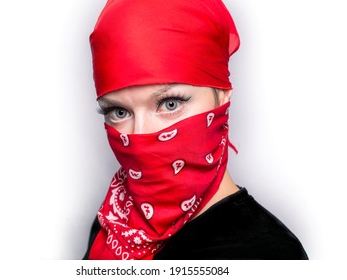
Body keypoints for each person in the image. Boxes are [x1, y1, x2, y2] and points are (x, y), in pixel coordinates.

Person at [83, 0, 308, 260]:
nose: (140, 134)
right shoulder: (112, 219)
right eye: (119, 112)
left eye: (170, 103)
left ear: (222, 96)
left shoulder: (270, 255)